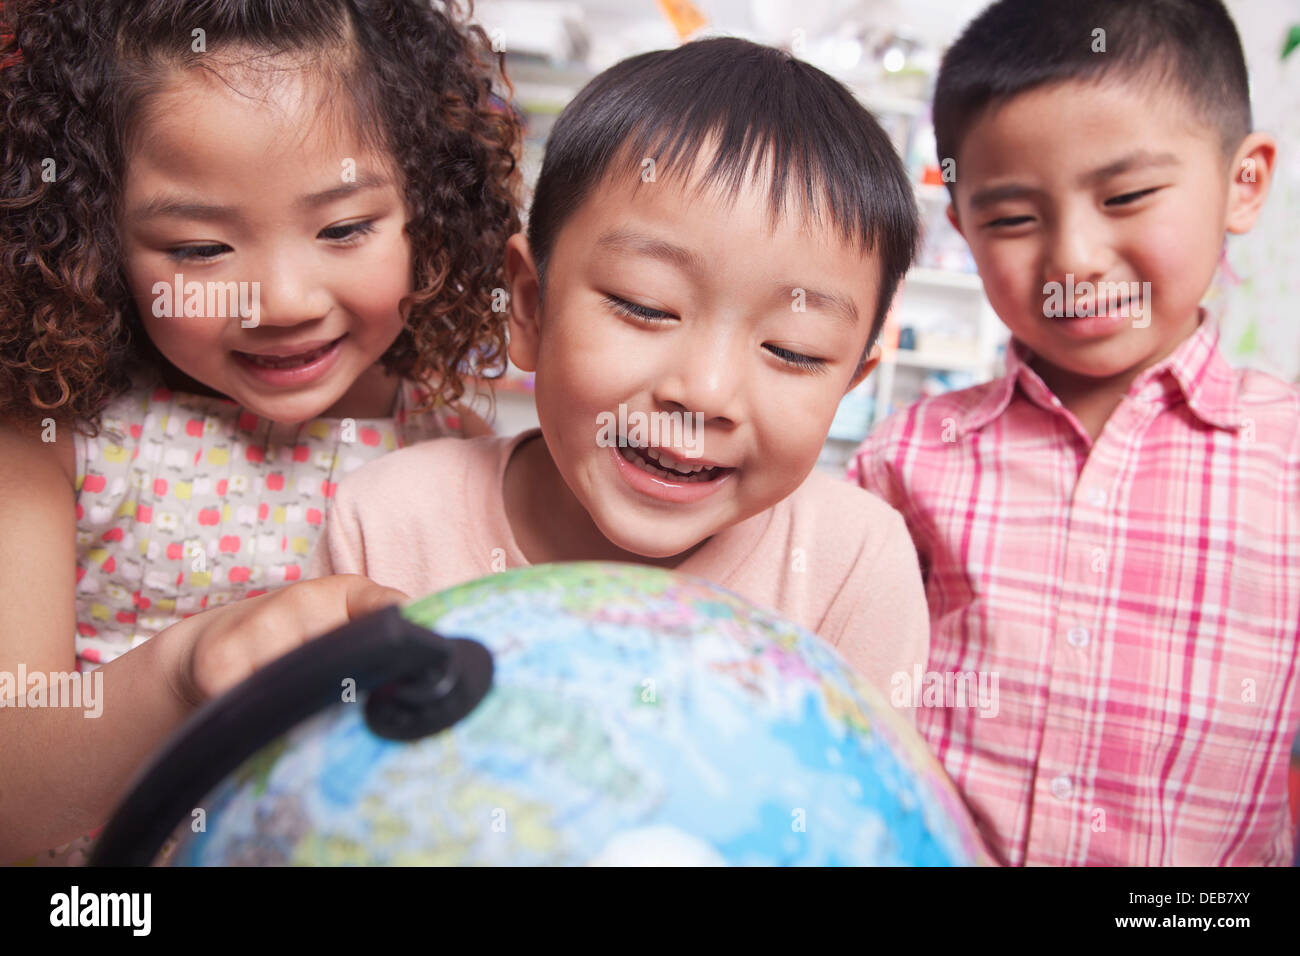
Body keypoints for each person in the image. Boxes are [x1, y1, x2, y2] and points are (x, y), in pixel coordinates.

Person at [0, 0, 520, 863]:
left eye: (345, 228)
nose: (280, 301)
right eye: (199, 248)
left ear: (427, 212)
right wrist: (186, 671)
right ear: (95, 240)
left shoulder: (444, 439)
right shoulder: (54, 444)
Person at [311, 37, 931, 703]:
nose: (706, 392)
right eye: (645, 305)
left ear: (848, 385)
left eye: (793, 350)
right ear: (529, 307)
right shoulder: (386, 524)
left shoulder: (856, 565)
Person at [851, 0, 1299, 865]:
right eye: (1013, 218)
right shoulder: (905, 460)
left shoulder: (1287, 462)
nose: (1074, 259)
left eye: (1126, 196)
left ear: (1243, 182)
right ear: (963, 227)